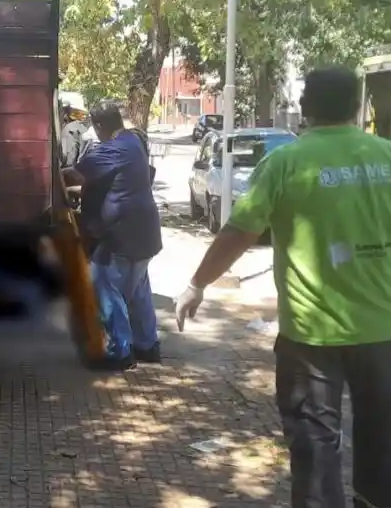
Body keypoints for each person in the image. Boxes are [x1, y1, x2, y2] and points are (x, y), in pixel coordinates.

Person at [175, 66, 391, 508]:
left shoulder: (286, 162)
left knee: (316, 449)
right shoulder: (386, 157)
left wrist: (197, 283)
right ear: (357, 107)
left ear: (306, 107)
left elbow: (239, 231)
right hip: (384, 332)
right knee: (382, 442)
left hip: (311, 338)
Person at [63, 100, 162, 370]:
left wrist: (48, 177)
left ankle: (121, 352)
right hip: (146, 233)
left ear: (98, 125)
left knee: (104, 285)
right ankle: (148, 345)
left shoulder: (113, 148)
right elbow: (112, 182)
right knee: (139, 290)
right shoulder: (133, 142)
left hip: (121, 236)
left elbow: (74, 175)